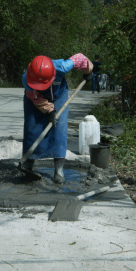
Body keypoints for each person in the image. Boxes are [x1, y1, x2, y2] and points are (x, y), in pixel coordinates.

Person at [22, 54, 93, 184]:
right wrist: (49, 110)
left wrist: (88, 72)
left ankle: (59, 170)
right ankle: (27, 165)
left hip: (59, 97)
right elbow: (35, 98)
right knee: (31, 128)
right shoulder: (27, 79)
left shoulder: (62, 67)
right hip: (36, 100)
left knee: (59, 130)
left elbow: (82, 59)